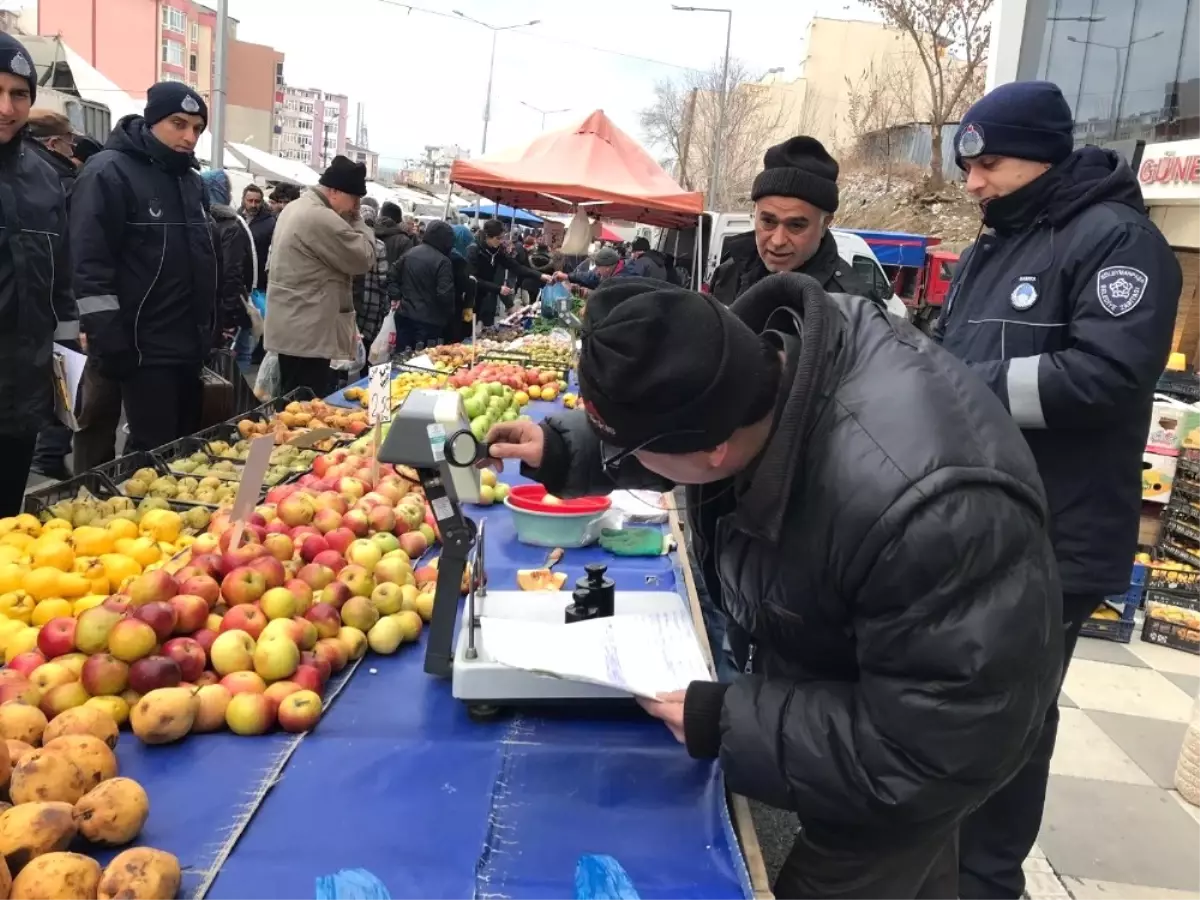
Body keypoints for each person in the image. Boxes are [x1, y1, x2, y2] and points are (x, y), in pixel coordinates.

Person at [483, 273, 1061, 900]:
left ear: (712, 450)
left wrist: (734, 722)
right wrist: (570, 448)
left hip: (926, 749)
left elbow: (939, 745)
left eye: (638, 455)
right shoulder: (758, 369)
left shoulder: (929, 511)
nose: (638, 470)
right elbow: (677, 418)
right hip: (868, 667)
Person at [932, 81, 1182, 900]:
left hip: (1053, 539)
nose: (973, 185)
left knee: (1013, 729)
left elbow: (1107, 375)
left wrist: (967, 387)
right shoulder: (994, 246)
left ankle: (987, 885)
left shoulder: (1118, 243)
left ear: (1044, 154)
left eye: (989, 165)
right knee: (966, 712)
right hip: (980, 525)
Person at [72, 81, 217, 453]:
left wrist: (211, 330)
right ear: (152, 121)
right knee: (146, 452)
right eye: (178, 124)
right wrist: (109, 340)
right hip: (138, 346)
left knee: (180, 449)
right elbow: (90, 262)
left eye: (197, 129)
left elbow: (202, 259)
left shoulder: (191, 182)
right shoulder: (109, 171)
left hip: (186, 345)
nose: (189, 137)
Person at [0, 36, 79, 513]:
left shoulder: (45, 178)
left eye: (19, 94)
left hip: (22, 391)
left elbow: (61, 280)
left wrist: (67, 355)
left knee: (8, 526)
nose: (6, 107)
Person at [708, 136, 878, 307]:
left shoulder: (855, 307)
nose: (778, 241)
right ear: (755, 214)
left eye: (796, 225)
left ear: (825, 224)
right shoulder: (729, 273)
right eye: (768, 221)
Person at [263, 155, 376, 397]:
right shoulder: (319, 217)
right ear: (335, 191)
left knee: (292, 402)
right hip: (308, 332)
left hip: (296, 326)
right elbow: (364, 257)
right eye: (354, 198)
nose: (355, 206)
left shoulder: (296, 207)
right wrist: (358, 221)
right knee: (304, 408)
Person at [25, 110, 85, 481]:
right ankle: (49, 453)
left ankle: (45, 452)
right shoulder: (59, 182)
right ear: (52, 143)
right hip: (55, 309)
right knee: (62, 381)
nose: (73, 149)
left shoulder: (40, 178)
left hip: (37, 308)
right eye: (69, 141)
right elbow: (72, 256)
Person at [201, 170, 254, 356]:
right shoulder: (231, 226)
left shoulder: (199, 220)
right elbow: (232, 272)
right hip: (227, 308)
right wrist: (229, 317)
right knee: (238, 359)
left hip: (206, 308)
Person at [465, 218, 552, 326]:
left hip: (489, 298)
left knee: (486, 329)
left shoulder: (497, 250)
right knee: (470, 332)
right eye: (498, 238)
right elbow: (473, 279)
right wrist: (498, 289)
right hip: (471, 299)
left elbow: (515, 266)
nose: (501, 241)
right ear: (488, 236)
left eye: (502, 237)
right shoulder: (473, 250)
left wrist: (540, 275)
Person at [387, 220, 456, 352]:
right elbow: (445, 294)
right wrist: (449, 315)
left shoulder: (411, 252)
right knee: (424, 361)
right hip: (430, 322)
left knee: (401, 358)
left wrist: (396, 295)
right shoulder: (443, 261)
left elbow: (391, 275)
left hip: (405, 316)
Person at [354, 201, 390, 372]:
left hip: (353, 300)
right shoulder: (379, 245)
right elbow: (383, 278)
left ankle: (342, 378)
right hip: (373, 301)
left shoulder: (349, 241)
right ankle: (364, 376)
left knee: (353, 338)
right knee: (368, 342)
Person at [447, 223, 476, 344]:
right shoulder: (457, 259)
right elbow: (461, 283)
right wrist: (471, 282)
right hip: (453, 304)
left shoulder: (445, 252)